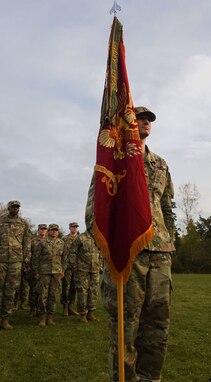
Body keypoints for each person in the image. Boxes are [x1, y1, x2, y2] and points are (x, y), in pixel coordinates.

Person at [85, 106, 175, 382]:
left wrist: (169, 241)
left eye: (149, 119)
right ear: (128, 124)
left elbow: (167, 207)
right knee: (125, 329)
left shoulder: (160, 164)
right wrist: (111, 250)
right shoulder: (114, 160)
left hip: (160, 255)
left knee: (157, 325)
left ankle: (150, 378)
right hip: (128, 256)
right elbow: (94, 211)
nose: (146, 122)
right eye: (140, 117)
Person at [0, 200, 31, 329]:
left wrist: (25, 260)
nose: (15, 209)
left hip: (15, 262)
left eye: (17, 207)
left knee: (11, 290)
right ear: (9, 208)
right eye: (13, 207)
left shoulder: (23, 223)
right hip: (1, 261)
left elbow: (27, 242)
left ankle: (5, 319)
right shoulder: (1, 221)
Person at [33, 224, 67, 327]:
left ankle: (50, 317)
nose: (54, 232)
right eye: (52, 230)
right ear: (49, 231)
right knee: (43, 295)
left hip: (56, 272)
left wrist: (63, 270)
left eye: (56, 230)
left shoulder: (61, 243)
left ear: (58, 232)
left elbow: (64, 258)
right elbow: (36, 257)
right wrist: (36, 271)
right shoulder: (42, 242)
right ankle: (42, 318)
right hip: (44, 272)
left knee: (53, 295)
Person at [73, 230, 100, 323]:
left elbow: (102, 252)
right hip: (82, 270)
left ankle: (91, 312)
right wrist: (75, 267)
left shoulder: (99, 237)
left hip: (95, 269)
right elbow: (73, 253)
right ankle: (83, 314)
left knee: (94, 291)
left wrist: (101, 266)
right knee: (82, 292)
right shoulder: (81, 238)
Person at [60, 222, 79, 316]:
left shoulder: (80, 239)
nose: (74, 228)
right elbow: (61, 253)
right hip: (66, 266)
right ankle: (65, 307)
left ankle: (70, 306)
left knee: (74, 287)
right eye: (73, 227)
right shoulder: (64, 239)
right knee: (65, 287)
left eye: (76, 227)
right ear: (69, 228)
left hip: (77, 267)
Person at [29, 224, 48, 316]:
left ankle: (41, 309)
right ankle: (33, 308)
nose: (43, 230)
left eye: (45, 229)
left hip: (46, 269)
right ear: (38, 230)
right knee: (34, 289)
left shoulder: (49, 241)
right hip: (35, 268)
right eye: (41, 229)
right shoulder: (33, 241)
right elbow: (29, 253)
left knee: (43, 290)